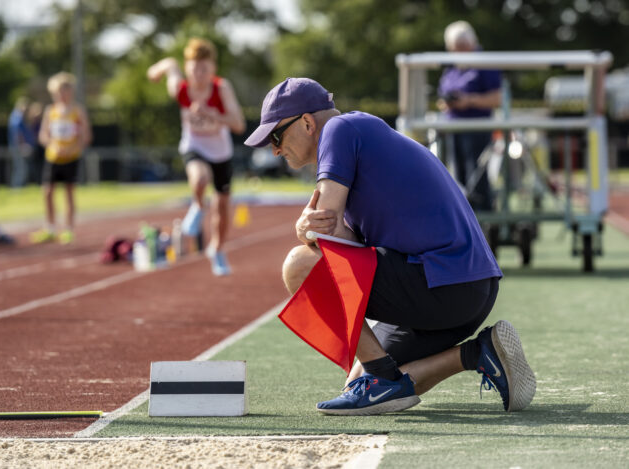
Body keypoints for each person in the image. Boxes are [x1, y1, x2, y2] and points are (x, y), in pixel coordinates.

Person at [244, 78, 535, 415]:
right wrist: (310, 228)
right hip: (465, 288)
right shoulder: (361, 135)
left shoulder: (338, 129)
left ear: (307, 123)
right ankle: (476, 354)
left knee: (299, 265)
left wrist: (303, 230)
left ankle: (383, 376)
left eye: (276, 137)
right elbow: (345, 242)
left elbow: (323, 229)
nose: (275, 150)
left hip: (442, 282)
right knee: (359, 383)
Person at [147, 38, 245, 276]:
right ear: (188, 67)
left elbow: (239, 125)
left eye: (204, 69)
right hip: (194, 145)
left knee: (222, 206)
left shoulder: (221, 88)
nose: (198, 74)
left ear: (213, 68)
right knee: (199, 179)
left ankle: (218, 250)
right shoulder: (182, 89)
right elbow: (170, 65)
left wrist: (214, 114)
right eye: (194, 68)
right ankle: (198, 206)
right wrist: (157, 70)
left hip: (220, 151)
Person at [437, 20, 502, 212]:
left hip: (477, 128)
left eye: (463, 47)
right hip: (453, 128)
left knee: (477, 177)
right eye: (456, 48)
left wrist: (470, 100)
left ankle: (482, 214)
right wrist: (448, 103)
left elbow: (497, 98)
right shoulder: (452, 66)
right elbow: (442, 97)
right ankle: (464, 213)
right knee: (457, 176)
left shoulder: (484, 64)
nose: (460, 52)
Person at [31, 72, 91, 245]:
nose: (61, 95)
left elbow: (86, 136)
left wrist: (73, 148)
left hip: (71, 157)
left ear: (70, 92)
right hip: (53, 157)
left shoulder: (77, 111)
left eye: (65, 91)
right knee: (47, 192)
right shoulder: (51, 111)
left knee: (69, 193)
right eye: (58, 92)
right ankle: (49, 228)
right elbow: (43, 134)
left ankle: (68, 229)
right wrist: (52, 145)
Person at [7, 96, 34, 188]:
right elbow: (17, 133)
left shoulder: (16, 116)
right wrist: (22, 145)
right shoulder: (17, 117)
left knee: (20, 168)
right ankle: (17, 188)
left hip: (17, 146)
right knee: (20, 169)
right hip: (18, 146)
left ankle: (18, 187)